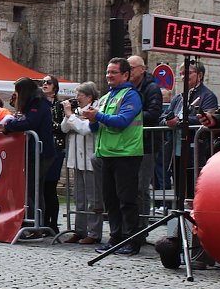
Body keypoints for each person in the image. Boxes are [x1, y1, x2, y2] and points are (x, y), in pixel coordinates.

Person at [82, 57, 143, 256]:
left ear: (125, 75)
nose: (109, 76)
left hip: (126, 154)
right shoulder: (108, 96)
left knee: (127, 200)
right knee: (111, 200)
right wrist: (92, 119)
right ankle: (116, 238)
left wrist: (97, 116)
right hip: (107, 153)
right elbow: (96, 127)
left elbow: (122, 121)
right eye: (108, 72)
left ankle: (132, 241)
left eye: (113, 72)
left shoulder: (131, 95)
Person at [1, 77, 56, 239]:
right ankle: (34, 222)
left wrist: (8, 126)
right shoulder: (35, 102)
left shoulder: (38, 103)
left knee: (32, 188)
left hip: (41, 152)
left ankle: (35, 224)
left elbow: (30, 123)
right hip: (33, 151)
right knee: (32, 188)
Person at [161, 61, 218, 199]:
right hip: (177, 150)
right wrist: (167, 121)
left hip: (195, 150)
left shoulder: (208, 96)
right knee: (179, 191)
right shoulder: (178, 98)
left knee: (195, 191)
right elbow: (163, 116)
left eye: (187, 73)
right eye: (181, 74)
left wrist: (180, 122)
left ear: (200, 75)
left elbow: (204, 118)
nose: (183, 77)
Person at [60, 81, 103, 245]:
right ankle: (80, 230)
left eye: (80, 95)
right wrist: (69, 116)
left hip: (90, 158)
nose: (76, 98)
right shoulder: (76, 111)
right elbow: (65, 128)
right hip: (77, 159)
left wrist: (72, 118)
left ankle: (94, 232)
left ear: (89, 96)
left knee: (93, 198)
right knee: (79, 197)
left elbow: (86, 129)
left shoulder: (95, 110)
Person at [127, 55, 163, 221]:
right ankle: (132, 225)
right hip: (129, 143)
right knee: (130, 186)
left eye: (132, 68)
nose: (129, 71)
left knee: (141, 187)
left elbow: (154, 113)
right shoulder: (127, 87)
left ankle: (142, 227)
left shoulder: (152, 88)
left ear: (143, 69)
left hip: (147, 143)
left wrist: (129, 115)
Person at [41, 74, 65, 234]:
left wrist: (46, 123)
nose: (44, 85)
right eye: (43, 82)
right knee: (42, 187)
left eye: (48, 82)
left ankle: (53, 223)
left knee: (50, 187)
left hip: (56, 148)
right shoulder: (39, 103)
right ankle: (43, 221)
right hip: (42, 148)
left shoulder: (59, 105)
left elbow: (62, 126)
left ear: (54, 87)